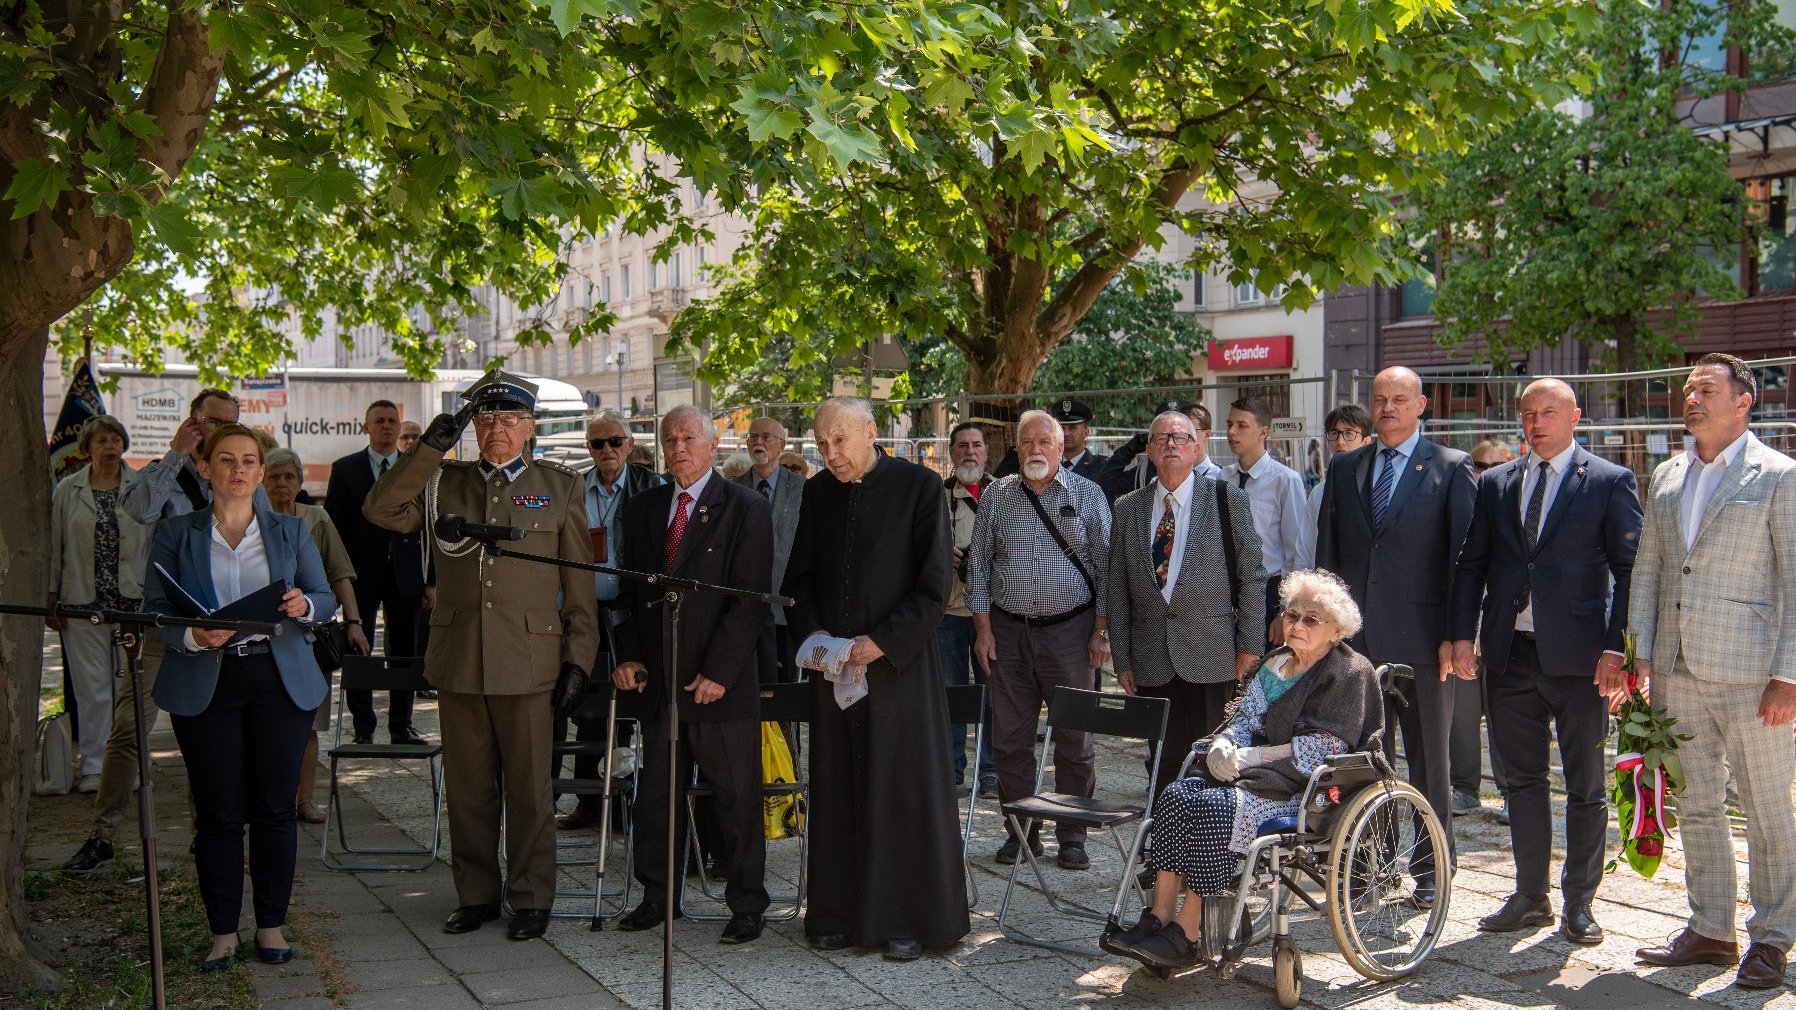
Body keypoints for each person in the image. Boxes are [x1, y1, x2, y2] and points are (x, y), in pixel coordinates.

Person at [364, 371, 599, 941]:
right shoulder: (445, 481)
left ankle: (531, 896)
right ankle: (476, 895)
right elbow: (379, 508)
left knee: (530, 789)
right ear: (474, 427)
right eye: (488, 419)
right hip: (460, 657)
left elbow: (580, 583)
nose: (499, 429)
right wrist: (428, 448)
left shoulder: (560, 486)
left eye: (511, 419)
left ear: (530, 428)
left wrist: (579, 659)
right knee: (469, 790)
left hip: (530, 659)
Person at [1109, 570, 1383, 969]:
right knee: (1176, 795)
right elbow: (1245, 719)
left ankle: (1188, 931)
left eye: (1311, 619)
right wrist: (1225, 743)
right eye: (1291, 615)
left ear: (1336, 630)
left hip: (1301, 785)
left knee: (1216, 808)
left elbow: (1326, 746)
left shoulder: (1349, 672)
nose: (1297, 624)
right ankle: (1159, 915)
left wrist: (1253, 758)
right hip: (1253, 775)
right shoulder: (1276, 662)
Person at [1448, 380, 1640, 946]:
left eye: (1549, 412)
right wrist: (1463, 636)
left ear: (1574, 416)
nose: (1536, 422)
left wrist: (1616, 647)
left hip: (1583, 662)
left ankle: (1579, 902)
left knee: (1585, 786)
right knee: (1522, 783)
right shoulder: (1498, 483)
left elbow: (1630, 571)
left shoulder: (1608, 481)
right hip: (1510, 657)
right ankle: (1530, 895)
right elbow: (1471, 564)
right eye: (1528, 413)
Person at [1630, 353, 1796, 989]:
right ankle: (1711, 928)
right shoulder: (1668, 474)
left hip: (1755, 675)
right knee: (1696, 802)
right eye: (1687, 388)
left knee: (1766, 809)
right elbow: (1649, 568)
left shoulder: (1779, 476)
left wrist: (1789, 675)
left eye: (1706, 388)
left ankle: (1774, 937)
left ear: (1743, 400)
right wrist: (1639, 652)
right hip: (1676, 668)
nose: (1690, 398)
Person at [782, 396, 969, 960]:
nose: (830, 453)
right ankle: (836, 912)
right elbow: (801, 580)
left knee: (900, 793)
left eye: (839, 440)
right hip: (834, 667)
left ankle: (907, 918)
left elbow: (934, 588)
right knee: (837, 788)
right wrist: (819, 641)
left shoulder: (918, 487)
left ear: (870, 431)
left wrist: (878, 643)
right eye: (821, 444)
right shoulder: (816, 494)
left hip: (897, 670)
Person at [144, 422, 335, 970]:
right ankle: (223, 933)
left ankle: (271, 927)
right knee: (219, 813)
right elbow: (155, 605)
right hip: (208, 680)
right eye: (225, 460)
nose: (238, 470)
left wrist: (307, 606)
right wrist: (188, 633)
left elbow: (323, 596)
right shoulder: (177, 532)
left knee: (276, 809)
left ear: (260, 468)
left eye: (249, 460)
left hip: (278, 679)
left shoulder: (289, 531)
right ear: (204, 469)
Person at [62, 389, 243, 875]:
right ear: (193, 422)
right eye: (212, 422)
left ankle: (207, 836)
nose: (220, 430)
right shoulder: (167, 470)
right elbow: (137, 510)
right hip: (164, 621)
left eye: (230, 422)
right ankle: (103, 835)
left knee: (208, 732)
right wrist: (176, 454)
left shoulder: (242, 471)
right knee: (129, 730)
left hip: (218, 625)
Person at [610, 406, 773, 944]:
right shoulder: (642, 509)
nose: (678, 447)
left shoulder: (745, 507)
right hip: (658, 682)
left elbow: (749, 602)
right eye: (670, 438)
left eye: (689, 437)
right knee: (656, 794)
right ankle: (658, 895)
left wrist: (719, 671)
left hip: (719, 685)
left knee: (735, 797)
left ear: (713, 443)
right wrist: (630, 655)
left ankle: (747, 903)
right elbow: (630, 595)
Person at [1315, 365, 1474, 903]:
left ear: (1421, 405)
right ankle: (1371, 866)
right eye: (1379, 399)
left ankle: (1433, 870)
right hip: (1358, 642)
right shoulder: (1345, 468)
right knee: (1365, 757)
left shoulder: (1451, 468)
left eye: (1399, 399)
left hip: (1426, 642)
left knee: (1430, 757)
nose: (1387, 408)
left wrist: (1457, 635)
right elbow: (1328, 558)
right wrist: (1323, 633)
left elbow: (1462, 561)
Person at [968, 410, 1112, 870]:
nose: (1035, 450)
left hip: (1071, 633)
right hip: (1008, 635)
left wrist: (1101, 632)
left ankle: (1073, 834)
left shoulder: (1088, 495)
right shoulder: (997, 496)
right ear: (1016, 448)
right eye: (1026, 443)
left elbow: (1108, 571)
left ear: (1060, 446)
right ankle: (1021, 829)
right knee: (1010, 739)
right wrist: (983, 631)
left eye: (1044, 442)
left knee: (1075, 739)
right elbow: (978, 568)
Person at [1108, 410, 1265, 796]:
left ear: (1197, 448)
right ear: (1148, 450)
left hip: (1213, 655)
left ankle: (1210, 847)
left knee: (1215, 759)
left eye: (1180, 438)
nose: (1171, 446)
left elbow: (1253, 577)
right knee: (1161, 759)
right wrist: (1122, 658)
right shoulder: (1128, 508)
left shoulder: (1228, 499)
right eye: (1161, 439)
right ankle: (1164, 840)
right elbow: (1117, 588)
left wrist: (1249, 647)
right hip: (1151, 658)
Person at [557, 412, 665, 830]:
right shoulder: (574, 488)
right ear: (588, 449)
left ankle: (630, 800)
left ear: (630, 443)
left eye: (614, 442)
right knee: (585, 704)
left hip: (631, 611)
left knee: (632, 702)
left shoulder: (651, 487)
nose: (607, 451)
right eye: (597, 444)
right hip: (583, 609)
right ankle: (587, 803)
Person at [264, 448, 370, 824]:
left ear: (299, 481)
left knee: (306, 724)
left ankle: (304, 800)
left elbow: (340, 573)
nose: (281, 483)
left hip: (308, 635)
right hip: (261, 637)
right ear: (262, 479)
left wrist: (354, 622)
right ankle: (265, 802)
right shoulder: (249, 521)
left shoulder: (316, 518)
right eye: (274, 476)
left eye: (289, 477)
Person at [46, 415, 146, 794]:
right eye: (101, 440)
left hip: (131, 603)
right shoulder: (68, 490)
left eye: (115, 439)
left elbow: (151, 544)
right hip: (80, 599)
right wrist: (53, 594)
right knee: (91, 690)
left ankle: (128, 767)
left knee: (130, 690)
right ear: (86, 447)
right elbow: (57, 546)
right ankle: (92, 766)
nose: (110, 446)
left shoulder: (140, 486)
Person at [325, 400, 426, 745]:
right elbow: (334, 529)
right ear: (366, 427)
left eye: (391, 421)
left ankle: (402, 725)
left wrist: (432, 581)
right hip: (360, 577)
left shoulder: (415, 471)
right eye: (379, 421)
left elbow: (428, 527)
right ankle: (363, 727)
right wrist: (336, 578)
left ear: (399, 428)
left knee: (405, 651)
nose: (386, 426)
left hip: (406, 574)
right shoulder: (345, 469)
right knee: (359, 648)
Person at [1448, 437, 1519, 818]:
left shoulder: (1517, 504)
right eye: (1478, 465)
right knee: (1462, 715)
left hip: (1501, 628)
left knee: (1504, 715)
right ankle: (1465, 788)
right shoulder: (1457, 503)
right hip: (1463, 627)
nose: (1484, 473)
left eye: (1494, 466)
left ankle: (1511, 791)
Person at [1221, 395, 1311, 645]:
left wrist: (1286, 610)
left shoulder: (1285, 480)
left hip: (1267, 591)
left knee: (1262, 674)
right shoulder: (1222, 478)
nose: (1231, 432)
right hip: (1225, 591)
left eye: (1241, 425)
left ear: (1263, 432)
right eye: (1229, 424)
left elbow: (1296, 550)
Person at [939, 421, 997, 797]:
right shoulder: (936, 496)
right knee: (951, 693)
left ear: (986, 451)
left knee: (993, 693)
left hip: (992, 616)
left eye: (976, 445)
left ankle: (991, 770)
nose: (969, 452)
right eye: (962, 446)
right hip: (947, 613)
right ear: (951, 452)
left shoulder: (1004, 494)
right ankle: (952, 766)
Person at [734, 417, 804, 687]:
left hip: (786, 607)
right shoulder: (733, 489)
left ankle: (786, 733)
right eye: (752, 437)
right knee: (751, 688)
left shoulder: (801, 489)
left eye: (765, 437)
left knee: (785, 692)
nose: (758, 442)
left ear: (782, 444)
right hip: (745, 607)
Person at [1099, 399, 1221, 503]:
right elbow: (1106, 484)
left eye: (1180, 434)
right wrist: (1128, 450)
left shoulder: (1219, 479)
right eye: (1162, 434)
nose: (1171, 443)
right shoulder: (1147, 470)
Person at [1305, 405, 1373, 547]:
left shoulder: (1376, 489)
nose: (1340, 442)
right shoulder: (1318, 492)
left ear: (1366, 441)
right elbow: (1305, 548)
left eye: (1349, 433)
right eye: (1334, 433)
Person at [994, 399, 1106, 481]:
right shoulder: (1036, 460)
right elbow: (999, 481)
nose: (1066, 433)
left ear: (1086, 432)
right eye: (1062, 428)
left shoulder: (1102, 468)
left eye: (1072, 428)